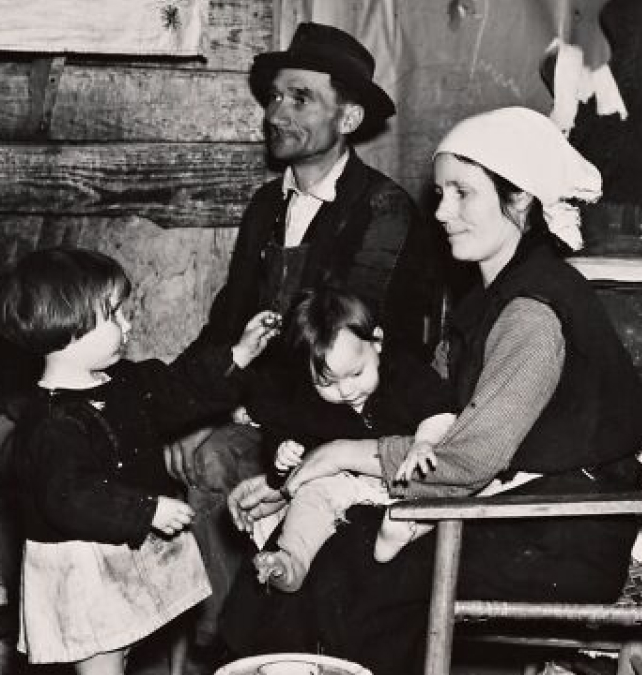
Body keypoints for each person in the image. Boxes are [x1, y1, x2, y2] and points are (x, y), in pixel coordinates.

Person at [222, 107, 642, 675]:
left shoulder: (531, 314)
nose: (442, 211)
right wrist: (303, 478)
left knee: (355, 566)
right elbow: (430, 418)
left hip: (559, 536)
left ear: (520, 201)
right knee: (295, 558)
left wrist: (341, 457)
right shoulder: (488, 296)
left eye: (462, 194)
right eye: (441, 192)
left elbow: (469, 458)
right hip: (512, 514)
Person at [164, 21, 439, 648]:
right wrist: (190, 406)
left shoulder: (382, 212)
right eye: (273, 97)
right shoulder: (267, 205)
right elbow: (227, 320)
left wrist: (223, 410)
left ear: (347, 119)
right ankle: (232, 644)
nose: (274, 113)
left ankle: (250, 646)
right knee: (186, 450)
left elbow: (336, 348)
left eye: (298, 98)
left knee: (213, 456)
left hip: (352, 417)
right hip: (276, 409)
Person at [0, 247, 279, 674]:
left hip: (117, 556)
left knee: (123, 651)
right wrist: (149, 510)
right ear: (67, 325)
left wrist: (237, 355)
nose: (128, 324)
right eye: (114, 314)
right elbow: (71, 498)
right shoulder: (50, 423)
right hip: (81, 572)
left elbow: (179, 389)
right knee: (102, 663)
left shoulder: (122, 383)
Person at [238, 287, 457, 592]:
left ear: (377, 342)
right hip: (352, 484)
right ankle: (291, 561)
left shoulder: (404, 373)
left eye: (355, 374)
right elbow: (294, 457)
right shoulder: (310, 403)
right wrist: (282, 456)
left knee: (441, 485)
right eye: (326, 382)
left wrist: (424, 443)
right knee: (313, 495)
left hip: (405, 479)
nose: (345, 392)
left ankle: (402, 529)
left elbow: (441, 412)